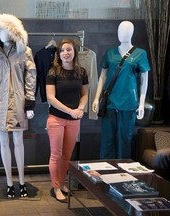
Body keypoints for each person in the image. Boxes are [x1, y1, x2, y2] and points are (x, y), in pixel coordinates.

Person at [0, 14, 36, 198]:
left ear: (13, 32)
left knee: (19, 143)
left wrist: (30, 101)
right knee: (3, 143)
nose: (2, 34)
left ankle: (22, 182)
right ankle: (10, 183)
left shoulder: (24, 52)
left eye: (6, 30)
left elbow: (30, 76)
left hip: (18, 104)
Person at [92, 21, 150, 159]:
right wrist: (96, 98)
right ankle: (105, 170)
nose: (122, 33)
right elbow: (103, 76)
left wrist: (141, 103)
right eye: (120, 30)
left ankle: (123, 171)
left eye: (126, 30)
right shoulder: (110, 53)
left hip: (129, 102)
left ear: (132, 33)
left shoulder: (140, 54)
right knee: (107, 139)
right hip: (110, 102)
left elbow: (144, 80)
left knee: (125, 138)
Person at [46, 38, 88, 202]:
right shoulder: (53, 72)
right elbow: (51, 98)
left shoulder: (81, 72)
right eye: (62, 50)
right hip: (56, 119)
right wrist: (71, 111)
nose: (66, 53)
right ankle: (56, 187)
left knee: (67, 155)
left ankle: (62, 183)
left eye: (69, 49)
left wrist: (80, 109)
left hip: (74, 120)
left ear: (74, 52)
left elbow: (84, 94)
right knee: (56, 154)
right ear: (59, 54)